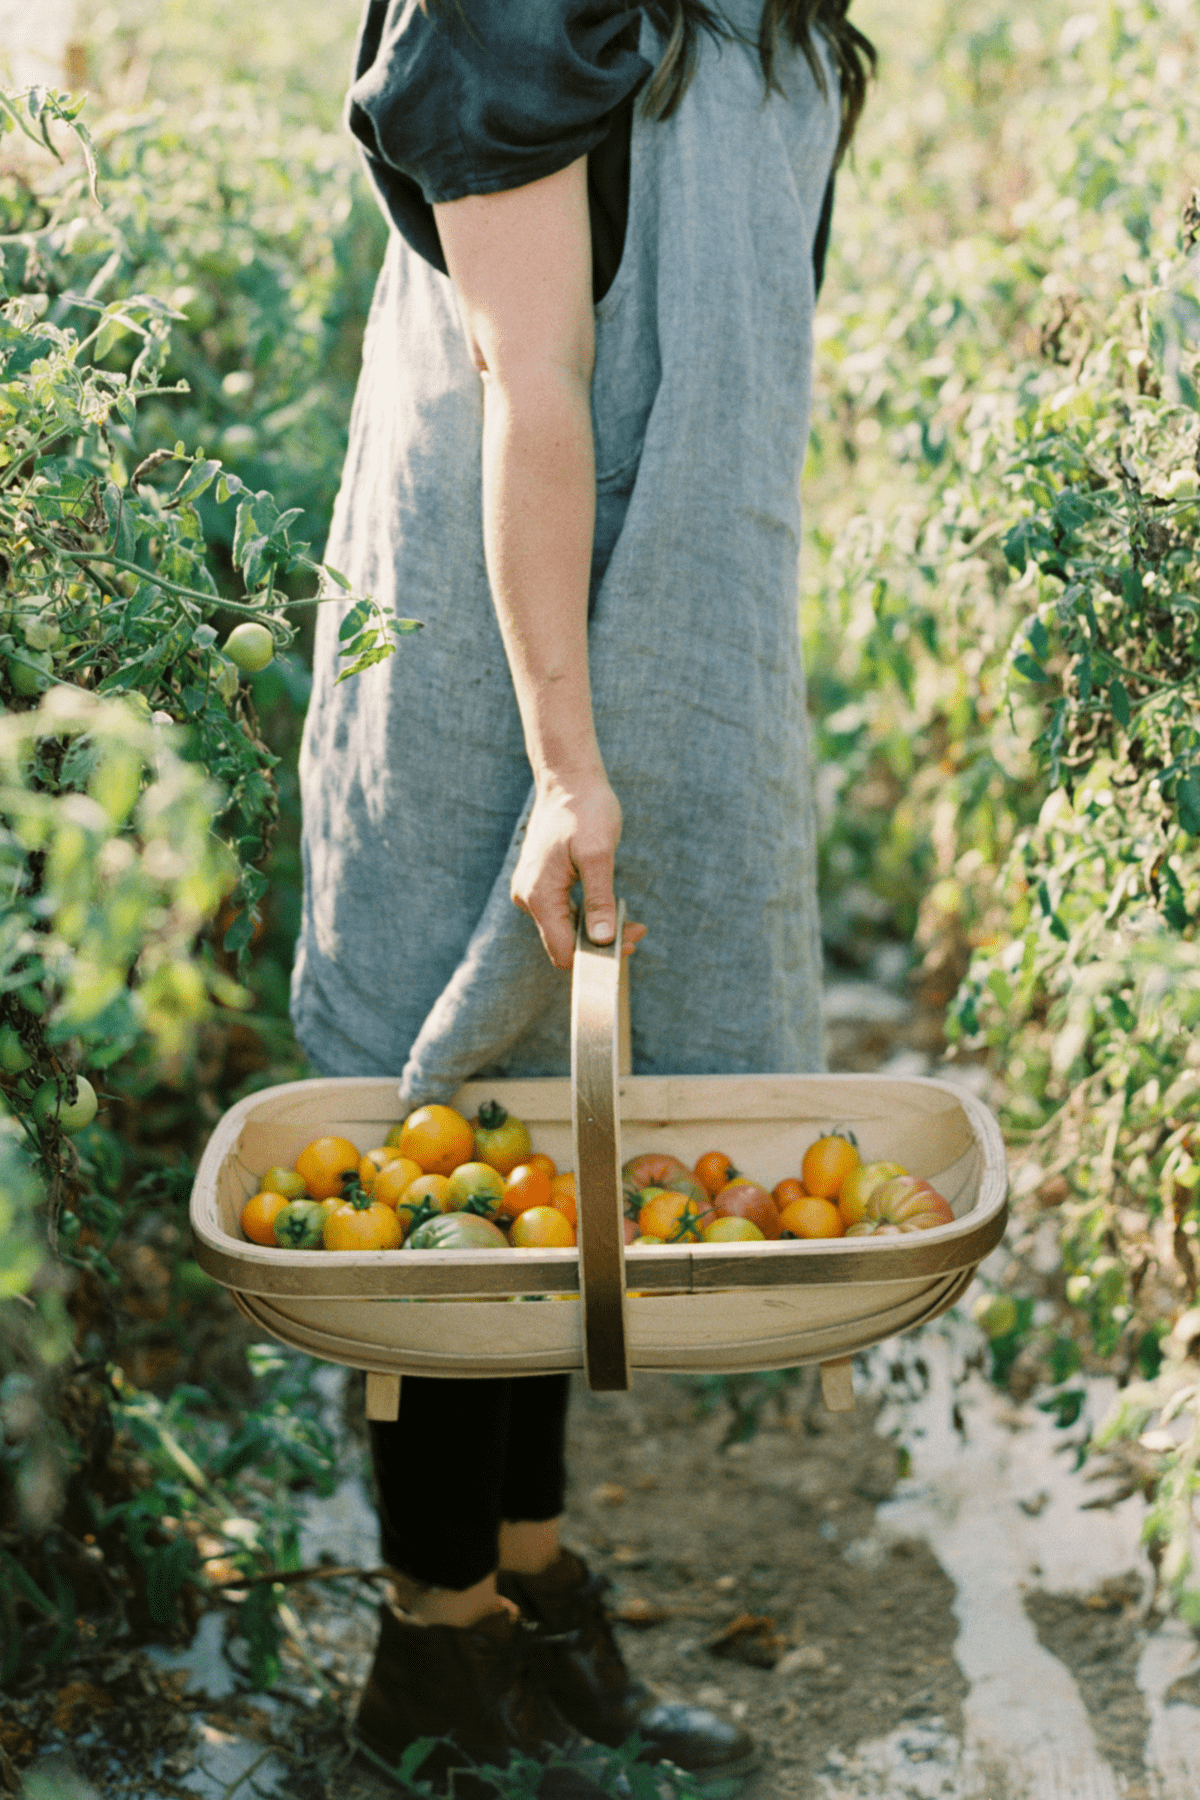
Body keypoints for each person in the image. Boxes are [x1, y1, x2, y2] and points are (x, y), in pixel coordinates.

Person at [290, 1, 873, 1792]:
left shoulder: (769, 17)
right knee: (439, 1125)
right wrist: (563, 758)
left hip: (669, 598)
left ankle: (525, 1581)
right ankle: (430, 1634)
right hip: (496, 626)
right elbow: (525, 371)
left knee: (573, 1115)